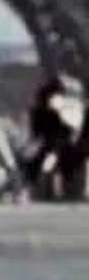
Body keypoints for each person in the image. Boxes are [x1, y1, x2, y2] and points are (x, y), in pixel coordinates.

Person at [24, 74, 87, 202]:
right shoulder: (42, 112)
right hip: (54, 147)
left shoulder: (73, 109)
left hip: (68, 150)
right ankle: (44, 190)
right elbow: (37, 136)